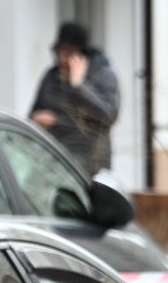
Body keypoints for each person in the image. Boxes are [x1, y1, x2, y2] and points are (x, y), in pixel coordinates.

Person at [29, 22, 119, 175]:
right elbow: (33, 112)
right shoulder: (51, 76)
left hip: (90, 166)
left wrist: (79, 86)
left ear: (82, 55)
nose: (62, 59)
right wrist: (35, 119)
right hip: (54, 161)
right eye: (59, 52)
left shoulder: (102, 76)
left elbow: (108, 117)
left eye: (69, 53)